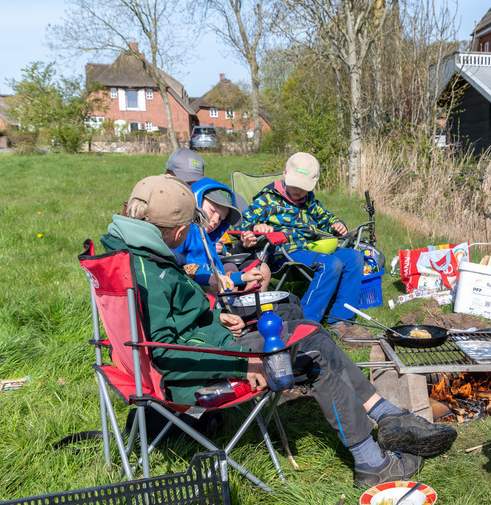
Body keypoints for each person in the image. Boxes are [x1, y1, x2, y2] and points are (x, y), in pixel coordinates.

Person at [100, 174, 457, 487]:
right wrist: (245, 364)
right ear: (179, 232)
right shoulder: (148, 269)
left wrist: (215, 318)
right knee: (311, 356)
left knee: (309, 329)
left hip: (196, 352)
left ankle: (384, 413)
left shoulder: (128, 256)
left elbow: (163, 326)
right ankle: (372, 463)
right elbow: (164, 351)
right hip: (192, 371)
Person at [238, 152, 363, 330]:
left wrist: (337, 224)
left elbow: (325, 218)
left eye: (304, 187)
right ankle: (304, 324)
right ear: (285, 174)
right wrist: (256, 227)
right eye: (295, 185)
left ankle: (341, 319)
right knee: (330, 264)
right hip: (285, 253)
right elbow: (242, 222)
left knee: (354, 257)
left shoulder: (309, 201)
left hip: (311, 248)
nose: (298, 191)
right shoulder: (267, 200)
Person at [174, 177, 268, 294]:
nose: (215, 220)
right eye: (212, 210)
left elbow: (219, 276)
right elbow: (176, 267)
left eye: (221, 218)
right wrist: (208, 278)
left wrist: (242, 277)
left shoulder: (208, 242)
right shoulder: (184, 232)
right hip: (193, 300)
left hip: (215, 299)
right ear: (195, 200)